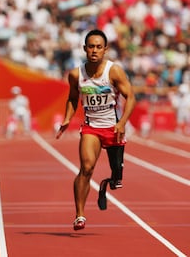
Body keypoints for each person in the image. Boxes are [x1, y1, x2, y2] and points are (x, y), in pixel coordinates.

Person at [56, 29, 136, 231]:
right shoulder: (76, 74)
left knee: (117, 178)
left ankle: (106, 184)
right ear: (84, 48)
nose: (94, 50)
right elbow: (73, 99)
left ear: (105, 50)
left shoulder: (114, 71)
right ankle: (79, 215)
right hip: (91, 128)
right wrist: (67, 118)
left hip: (113, 127)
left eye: (99, 47)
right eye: (91, 46)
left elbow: (131, 97)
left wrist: (122, 122)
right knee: (86, 168)